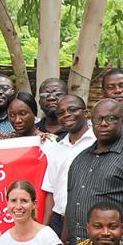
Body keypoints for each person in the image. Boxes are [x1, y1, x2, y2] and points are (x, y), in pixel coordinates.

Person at [60, 98, 123, 245]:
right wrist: (65, 241)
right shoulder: (80, 159)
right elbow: (72, 202)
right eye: (98, 119)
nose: (103, 124)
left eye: (111, 118)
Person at [40, 94, 94, 237]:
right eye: (61, 112)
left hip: (90, 221)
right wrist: (44, 228)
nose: (66, 115)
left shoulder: (98, 143)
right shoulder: (55, 148)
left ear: (86, 113)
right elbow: (50, 191)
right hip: (59, 221)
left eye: (72, 109)